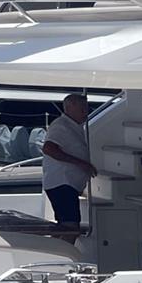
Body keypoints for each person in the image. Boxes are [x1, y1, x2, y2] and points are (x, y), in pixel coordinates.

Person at [41, 94, 97, 230]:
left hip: (67, 185)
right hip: (62, 184)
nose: (86, 112)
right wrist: (81, 163)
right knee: (71, 228)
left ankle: (55, 248)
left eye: (86, 108)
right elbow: (49, 148)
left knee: (67, 226)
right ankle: (59, 250)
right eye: (82, 108)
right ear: (69, 108)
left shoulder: (73, 126)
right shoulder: (61, 125)